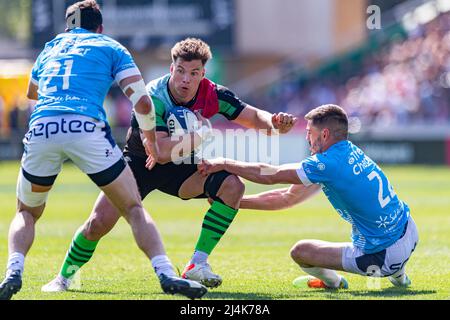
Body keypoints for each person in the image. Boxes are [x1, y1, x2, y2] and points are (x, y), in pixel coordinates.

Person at [42, 37, 297, 291]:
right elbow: (160, 152)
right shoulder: (153, 96)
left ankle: (197, 265)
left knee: (232, 186)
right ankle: (65, 276)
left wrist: (276, 122)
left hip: (183, 167)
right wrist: (201, 134)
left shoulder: (212, 94)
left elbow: (253, 117)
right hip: (139, 165)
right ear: (171, 69)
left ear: (202, 74)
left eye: (194, 73)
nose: (186, 79)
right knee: (98, 223)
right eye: (181, 71)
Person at [0, 0, 207, 300]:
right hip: (85, 128)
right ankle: (165, 273)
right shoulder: (110, 47)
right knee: (133, 207)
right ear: (100, 27)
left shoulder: (50, 47)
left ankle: (13, 271)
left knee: (27, 212)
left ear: (67, 26)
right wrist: (150, 137)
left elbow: (33, 92)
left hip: (43, 126)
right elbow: (144, 103)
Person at [198, 104, 418, 289]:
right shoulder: (347, 152)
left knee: (300, 252)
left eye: (309, 134)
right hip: (410, 231)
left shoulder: (326, 164)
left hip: (381, 257)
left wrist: (225, 163)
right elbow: (286, 198)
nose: (307, 139)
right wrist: (238, 203)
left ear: (324, 134)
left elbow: (271, 175)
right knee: (379, 233)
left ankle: (334, 283)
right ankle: (400, 277)